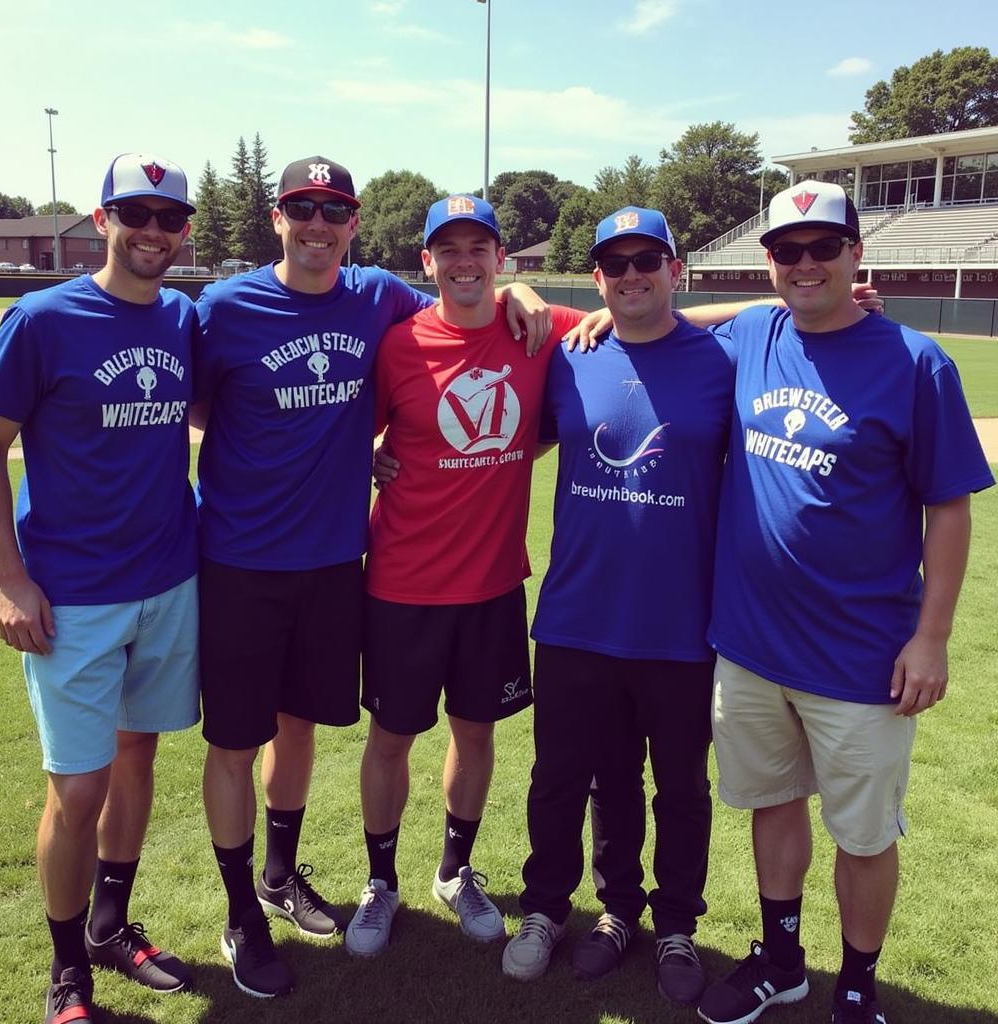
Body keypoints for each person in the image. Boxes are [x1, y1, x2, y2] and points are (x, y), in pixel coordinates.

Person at [193, 163, 549, 998]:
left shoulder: (376, 301)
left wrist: (520, 298)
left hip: (334, 565)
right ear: (278, 216)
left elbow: (619, 320)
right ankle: (252, 909)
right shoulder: (225, 307)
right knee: (237, 741)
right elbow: (199, 403)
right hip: (246, 562)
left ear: (354, 223)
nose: (319, 222)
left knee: (306, 728)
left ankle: (289, 877)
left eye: (335, 210)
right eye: (303, 208)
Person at [695, 182, 994, 1024]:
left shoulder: (914, 362)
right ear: (769, 262)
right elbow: (667, 326)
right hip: (750, 646)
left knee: (863, 836)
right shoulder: (755, 331)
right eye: (789, 250)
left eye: (824, 247)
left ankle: (857, 981)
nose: (807, 263)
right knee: (773, 805)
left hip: (861, 655)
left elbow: (951, 507)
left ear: (857, 252)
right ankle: (780, 959)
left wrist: (932, 638)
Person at [0, 153, 200, 1024]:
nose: (152, 232)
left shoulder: (183, 317)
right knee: (77, 789)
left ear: (184, 232)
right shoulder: (41, 318)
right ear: (101, 219)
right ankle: (68, 970)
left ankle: (112, 925)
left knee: (138, 755)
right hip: (70, 593)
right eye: (135, 214)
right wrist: (8, 576)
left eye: (168, 219)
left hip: (169, 580)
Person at [498, 208, 733, 1005]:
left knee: (681, 788)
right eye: (615, 265)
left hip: (681, 624)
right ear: (596, 278)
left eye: (647, 261)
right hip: (577, 620)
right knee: (571, 778)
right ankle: (573, 911)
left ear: (675, 268)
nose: (631, 275)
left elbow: (782, 309)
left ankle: (674, 924)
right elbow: (499, 434)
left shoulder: (722, 359)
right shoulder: (570, 353)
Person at [343, 195, 587, 958]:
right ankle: (381, 882)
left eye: (478, 247)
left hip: (490, 586)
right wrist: (371, 459)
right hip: (401, 584)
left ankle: (455, 871)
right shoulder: (398, 345)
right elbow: (341, 434)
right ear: (428, 262)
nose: (464, 262)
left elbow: (653, 316)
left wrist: (779, 300)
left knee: (474, 733)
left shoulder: (539, 332)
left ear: (500, 258)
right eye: (448, 249)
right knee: (391, 738)